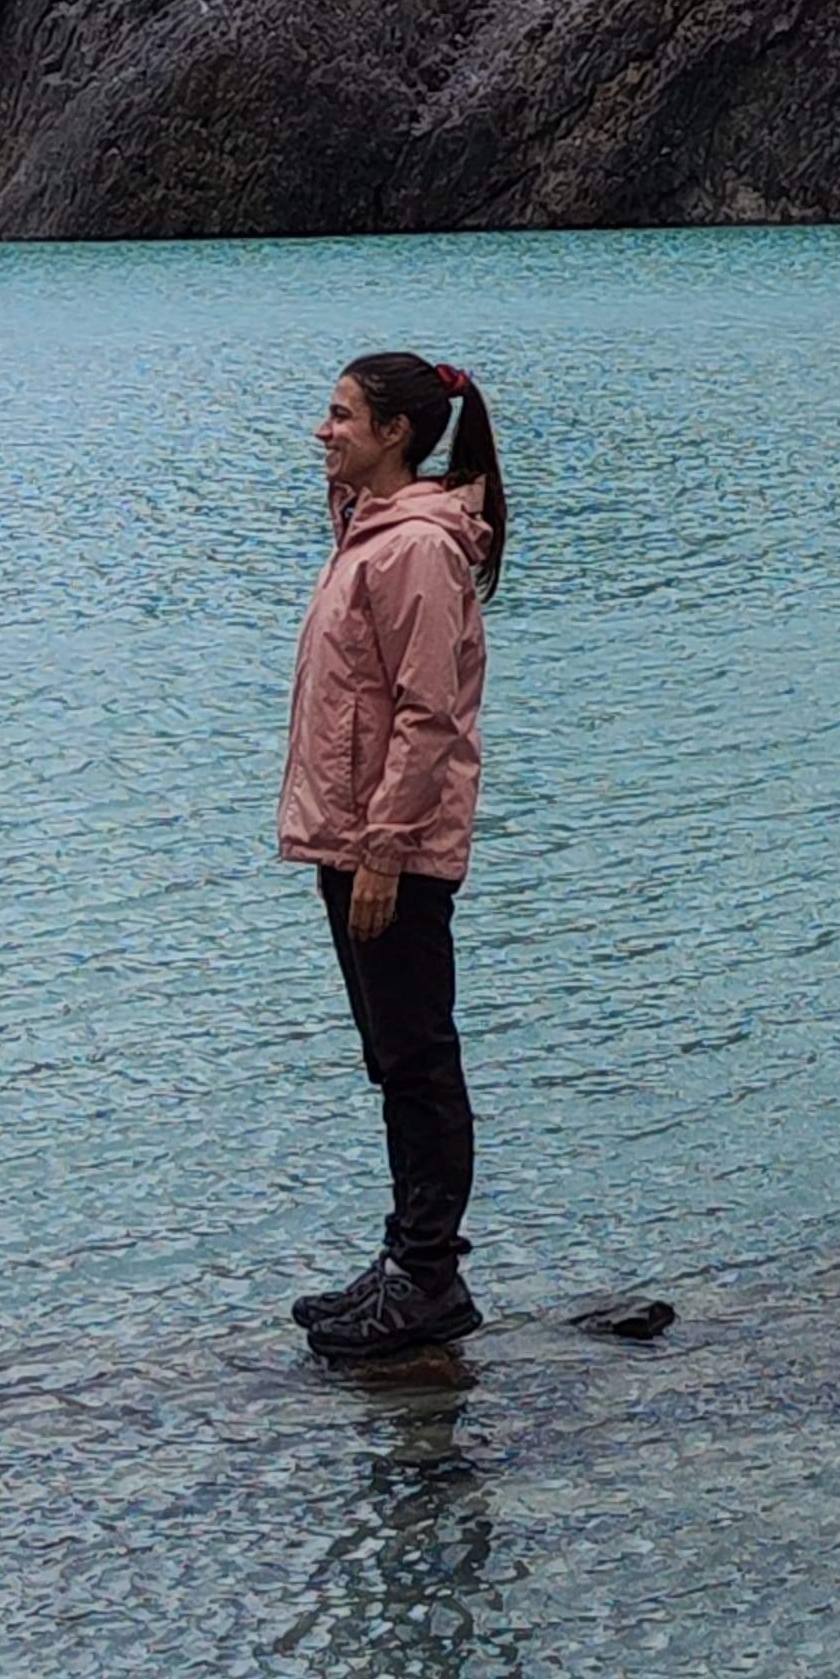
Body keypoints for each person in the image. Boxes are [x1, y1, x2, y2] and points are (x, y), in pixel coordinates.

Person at [277, 348, 509, 1367]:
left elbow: (430, 714)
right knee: (393, 1057)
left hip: (389, 846)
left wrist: (382, 848)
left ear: (393, 435)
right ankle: (408, 1264)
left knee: (416, 1059)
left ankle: (427, 1279)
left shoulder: (412, 549)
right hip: (354, 834)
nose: (321, 431)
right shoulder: (368, 534)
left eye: (339, 416)